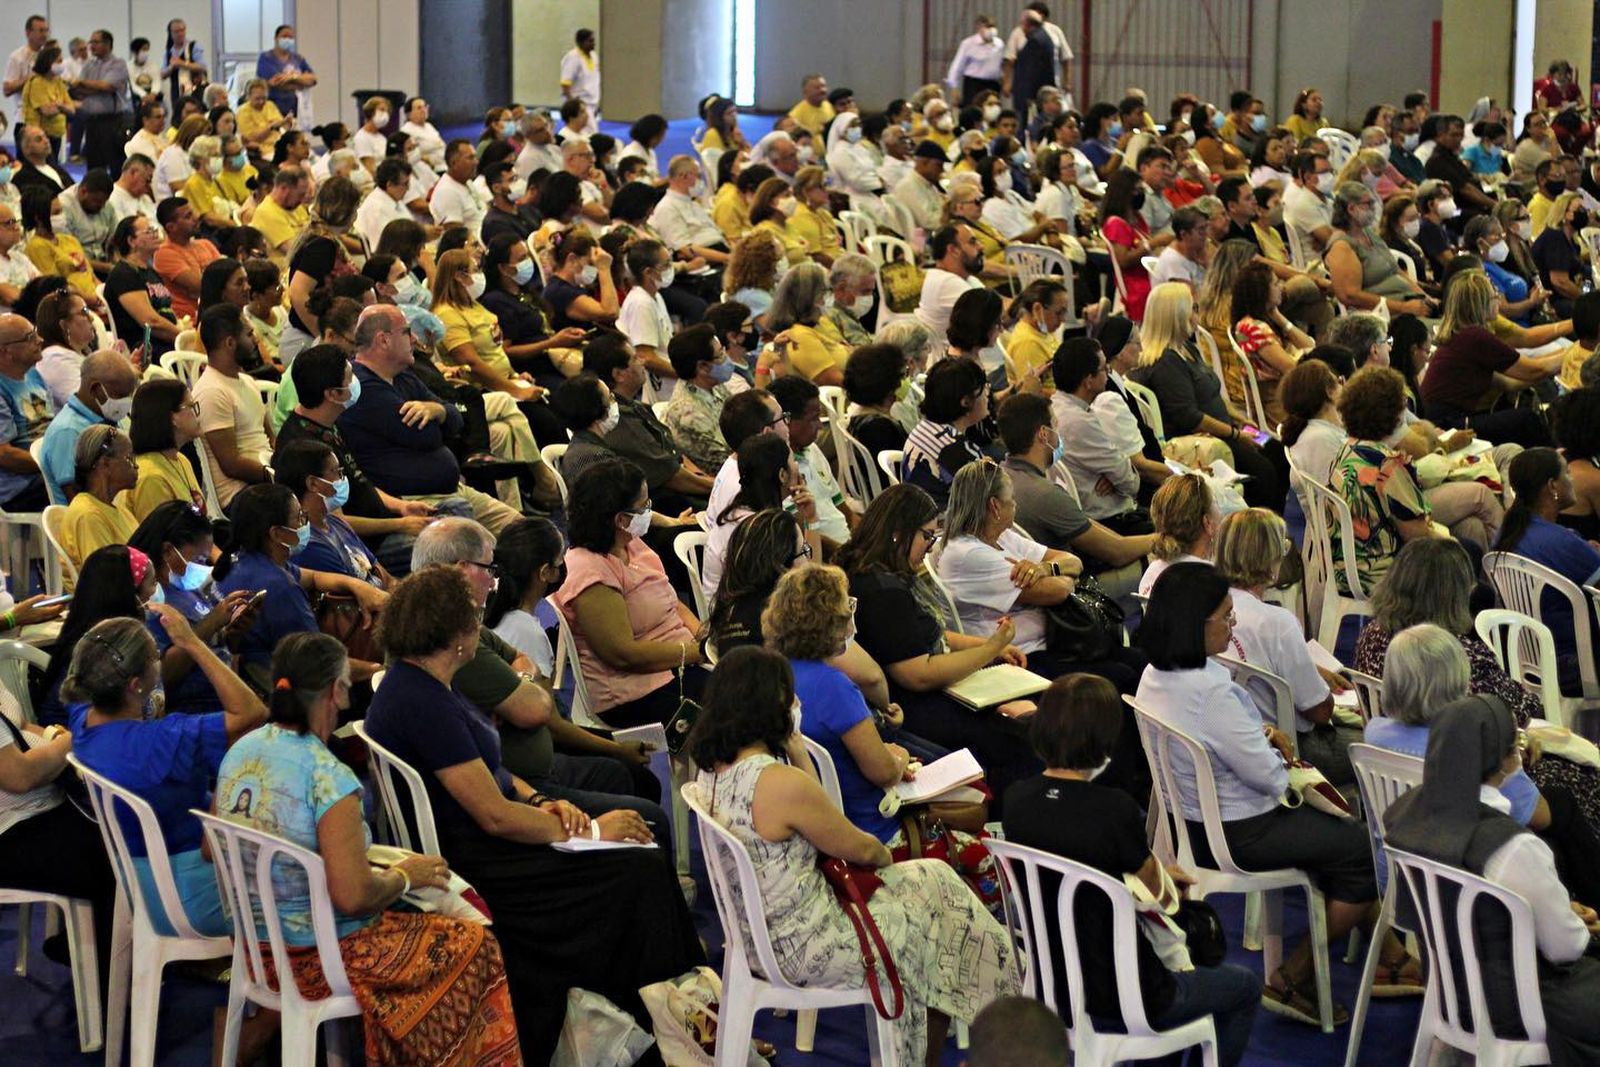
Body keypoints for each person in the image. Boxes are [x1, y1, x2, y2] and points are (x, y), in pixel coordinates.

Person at [362, 564, 701, 1064]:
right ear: (456, 636)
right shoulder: (425, 705)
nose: (480, 625)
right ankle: (672, 1022)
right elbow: (494, 816)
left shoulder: (422, 684)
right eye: (474, 619)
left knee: (638, 850)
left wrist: (542, 801)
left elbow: (494, 774)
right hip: (485, 858)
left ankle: (675, 1014)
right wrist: (591, 828)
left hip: (484, 835)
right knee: (639, 860)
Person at [689, 644, 1019, 1066]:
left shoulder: (713, 773)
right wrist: (883, 855)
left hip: (756, 936)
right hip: (811, 943)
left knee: (935, 880)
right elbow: (859, 847)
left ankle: (1000, 1002)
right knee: (938, 920)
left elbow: (814, 806)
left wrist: (794, 747)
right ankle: (1008, 1006)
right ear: (771, 706)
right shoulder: (779, 784)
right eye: (789, 698)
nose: (796, 704)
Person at [215, 630, 519, 1066]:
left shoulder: (240, 751)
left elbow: (214, 850)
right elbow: (353, 897)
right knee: (473, 943)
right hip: (315, 957)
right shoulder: (328, 777)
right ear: (338, 691)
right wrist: (403, 876)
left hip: (252, 946)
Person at [1138, 562, 1413, 1024]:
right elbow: (1268, 779)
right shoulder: (1209, 692)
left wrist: (1259, 732)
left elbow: (1222, 739)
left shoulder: (1155, 675)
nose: (1233, 624)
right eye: (1225, 617)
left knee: (1343, 845)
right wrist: (1279, 754)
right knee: (1362, 849)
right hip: (1240, 829)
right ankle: (1292, 975)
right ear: (1194, 625)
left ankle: (1394, 961)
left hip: (1189, 821)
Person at [1003, 673, 1262, 1065]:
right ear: (1104, 739)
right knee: (1242, 986)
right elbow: (1163, 897)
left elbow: (1075, 861)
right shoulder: (1114, 809)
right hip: (1126, 993)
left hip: (1050, 983)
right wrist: (1164, 878)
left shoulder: (1016, 801)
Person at [1384, 693, 1600, 1066]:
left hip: (1452, 990)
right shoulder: (1514, 847)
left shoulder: (1405, 815)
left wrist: (1556, 910)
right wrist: (1576, 923)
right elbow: (1566, 948)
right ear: (1506, 762)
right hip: (1518, 1005)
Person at [1354, 536, 1600, 837]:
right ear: (1453, 595)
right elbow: (1517, 712)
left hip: (1396, 771)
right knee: (1580, 779)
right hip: (1467, 777)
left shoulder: (1373, 635)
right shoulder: (1454, 655)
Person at [66, 609, 267, 943]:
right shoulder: (168, 739)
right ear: (135, 685)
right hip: (192, 896)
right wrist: (191, 641)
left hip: (136, 883)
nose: (160, 661)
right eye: (154, 659)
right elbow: (252, 711)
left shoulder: (82, 721)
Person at [837, 483, 1043, 809]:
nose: (929, 545)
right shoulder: (882, 590)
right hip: (907, 707)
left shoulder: (868, 568)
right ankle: (1015, 824)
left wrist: (989, 645)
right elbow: (918, 672)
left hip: (913, 696)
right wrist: (988, 651)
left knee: (1020, 719)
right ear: (899, 532)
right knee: (1014, 739)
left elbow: (929, 634)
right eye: (927, 537)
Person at [550, 457, 707, 726]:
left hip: (677, 661)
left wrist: (703, 635)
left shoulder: (631, 545)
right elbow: (623, 655)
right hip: (636, 690)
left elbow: (671, 601)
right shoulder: (589, 573)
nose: (649, 510)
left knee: (754, 673)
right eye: (644, 505)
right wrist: (696, 653)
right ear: (622, 519)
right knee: (740, 703)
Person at [339, 303, 522, 534]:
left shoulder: (402, 375)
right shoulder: (363, 387)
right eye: (406, 331)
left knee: (521, 529)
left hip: (451, 490)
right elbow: (428, 436)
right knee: (491, 548)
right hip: (415, 504)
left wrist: (439, 411)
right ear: (384, 340)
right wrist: (443, 420)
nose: (414, 338)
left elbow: (457, 420)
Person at [1214, 507, 1359, 780]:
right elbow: (1319, 710)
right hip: (1287, 747)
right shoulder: (1276, 622)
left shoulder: (1208, 610)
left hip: (1235, 739)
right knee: (1381, 744)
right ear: (1269, 561)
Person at [1132, 282, 1285, 507]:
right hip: (1207, 439)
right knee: (1265, 472)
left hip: (1227, 428)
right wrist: (1235, 434)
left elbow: (1212, 394)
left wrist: (1239, 418)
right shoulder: (1166, 362)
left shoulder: (1187, 349)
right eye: (1192, 309)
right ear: (1176, 315)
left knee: (1276, 449)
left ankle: (1277, 528)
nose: (1197, 315)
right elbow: (1190, 418)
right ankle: (1257, 531)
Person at [999, 390, 1154, 600]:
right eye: (1055, 425)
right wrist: (1163, 538)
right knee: (1160, 564)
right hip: (1074, 593)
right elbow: (1117, 552)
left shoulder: (1002, 476)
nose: (1059, 434)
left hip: (1039, 583)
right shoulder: (1044, 494)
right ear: (1043, 434)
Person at [1492, 448, 1600, 693]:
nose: (1572, 480)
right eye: (1567, 474)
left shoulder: (1505, 533)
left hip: (1524, 658)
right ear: (1553, 486)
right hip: (1576, 664)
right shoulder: (1562, 543)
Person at [1420, 269, 1558, 448]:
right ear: (1481, 303)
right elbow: (1535, 370)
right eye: (1494, 297)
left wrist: (1562, 358)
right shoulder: (1475, 337)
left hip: (1444, 420)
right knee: (1526, 420)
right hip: (1449, 425)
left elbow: (1512, 383)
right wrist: (1573, 352)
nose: (1498, 302)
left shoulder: (1462, 336)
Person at [577, 335, 714, 507]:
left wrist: (707, 478)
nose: (642, 362)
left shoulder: (633, 406)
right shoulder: (618, 419)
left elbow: (673, 454)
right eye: (635, 358)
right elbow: (670, 476)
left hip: (680, 487)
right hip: (660, 503)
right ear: (619, 374)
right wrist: (717, 486)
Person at [1325, 182, 1432, 318]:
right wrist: (1403, 307)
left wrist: (1424, 296)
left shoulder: (1368, 232)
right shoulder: (1341, 246)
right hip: (1384, 315)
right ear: (1351, 209)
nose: (1373, 208)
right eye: (1368, 204)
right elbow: (1350, 296)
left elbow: (1396, 270)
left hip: (1408, 302)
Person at [902, 354, 989, 507]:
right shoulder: (959, 450)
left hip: (920, 515)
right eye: (983, 389)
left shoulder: (925, 427)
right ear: (966, 402)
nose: (987, 394)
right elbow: (991, 501)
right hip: (943, 526)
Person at [57, 425, 137, 572]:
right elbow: (106, 579)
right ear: (105, 463)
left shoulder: (117, 508)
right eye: (129, 458)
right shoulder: (89, 516)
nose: (136, 466)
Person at [661, 323, 735, 471]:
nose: (726, 358)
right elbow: (727, 463)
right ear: (703, 367)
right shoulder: (688, 415)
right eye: (721, 355)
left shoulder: (713, 384)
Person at [103, 214, 179, 354]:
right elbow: (151, 322)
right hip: (146, 348)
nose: (156, 234)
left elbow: (166, 309)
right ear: (132, 241)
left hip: (167, 341)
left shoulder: (151, 272)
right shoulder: (124, 274)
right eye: (149, 231)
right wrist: (182, 337)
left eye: (154, 229)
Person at [0, 310, 52, 512]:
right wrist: (56, 463)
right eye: (30, 337)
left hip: (43, 469)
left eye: (36, 332)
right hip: (20, 488)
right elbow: (5, 455)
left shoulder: (33, 374)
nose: (40, 339)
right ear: (6, 352)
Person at [844, 341, 912, 458]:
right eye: (903, 374)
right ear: (890, 383)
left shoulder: (860, 418)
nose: (905, 380)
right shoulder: (879, 429)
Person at [33, 288, 96, 408]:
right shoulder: (55, 359)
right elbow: (87, 405)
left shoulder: (73, 353)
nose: (91, 318)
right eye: (84, 312)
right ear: (63, 325)